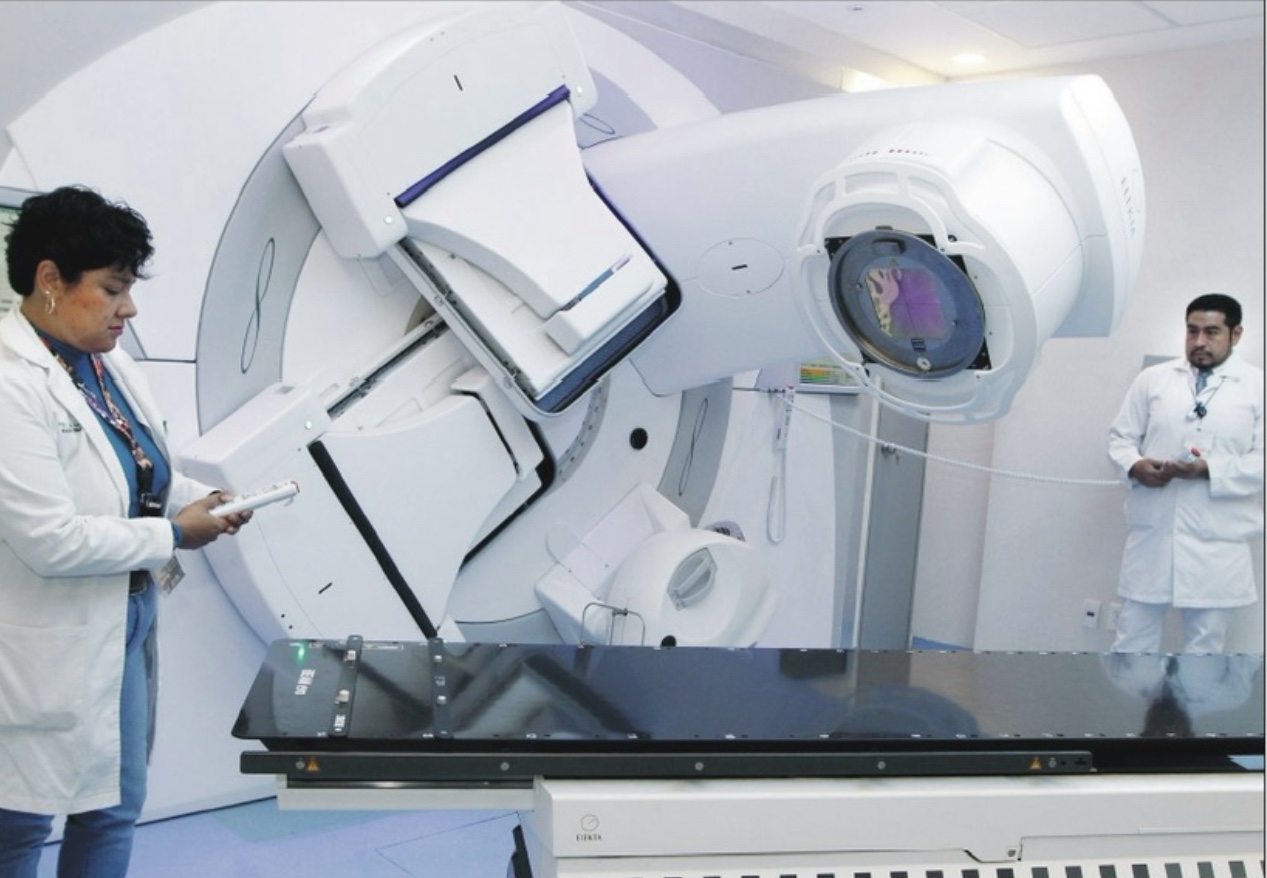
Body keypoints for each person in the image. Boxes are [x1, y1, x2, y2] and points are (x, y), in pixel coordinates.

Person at [0, 185, 253, 877]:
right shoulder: (10, 384)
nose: (129, 308)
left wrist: (204, 501)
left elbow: (142, 474)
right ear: (50, 279)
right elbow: (50, 540)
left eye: (130, 289)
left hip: (124, 627)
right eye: (112, 289)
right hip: (40, 645)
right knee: (19, 824)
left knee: (113, 810)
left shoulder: (108, 366)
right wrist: (175, 535)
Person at [1107, 293, 1264, 654]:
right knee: (1132, 639)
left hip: (1219, 542)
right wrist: (1135, 466)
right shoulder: (1153, 380)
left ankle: (1193, 695)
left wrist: (1209, 470)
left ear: (1236, 334)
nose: (1199, 342)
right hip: (1154, 534)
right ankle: (1130, 693)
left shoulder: (1258, 387)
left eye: (1211, 332)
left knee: (1206, 647)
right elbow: (1120, 438)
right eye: (1192, 331)